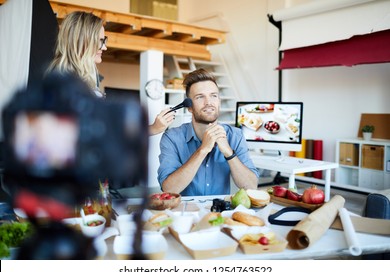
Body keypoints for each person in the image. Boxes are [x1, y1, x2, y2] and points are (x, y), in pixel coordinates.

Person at [46, 11, 174, 136]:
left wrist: (153, 128)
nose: (104, 47)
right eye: (101, 40)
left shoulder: (77, 78)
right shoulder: (65, 83)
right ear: (83, 41)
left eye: (104, 40)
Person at [158, 68, 259, 196]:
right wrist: (202, 150)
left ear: (219, 101)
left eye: (214, 96)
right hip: (183, 213)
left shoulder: (235, 136)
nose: (209, 102)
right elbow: (169, 190)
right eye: (200, 97)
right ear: (189, 107)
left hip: (220, 214)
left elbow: (251, 186)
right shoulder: (172, 138)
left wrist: (228, 152)